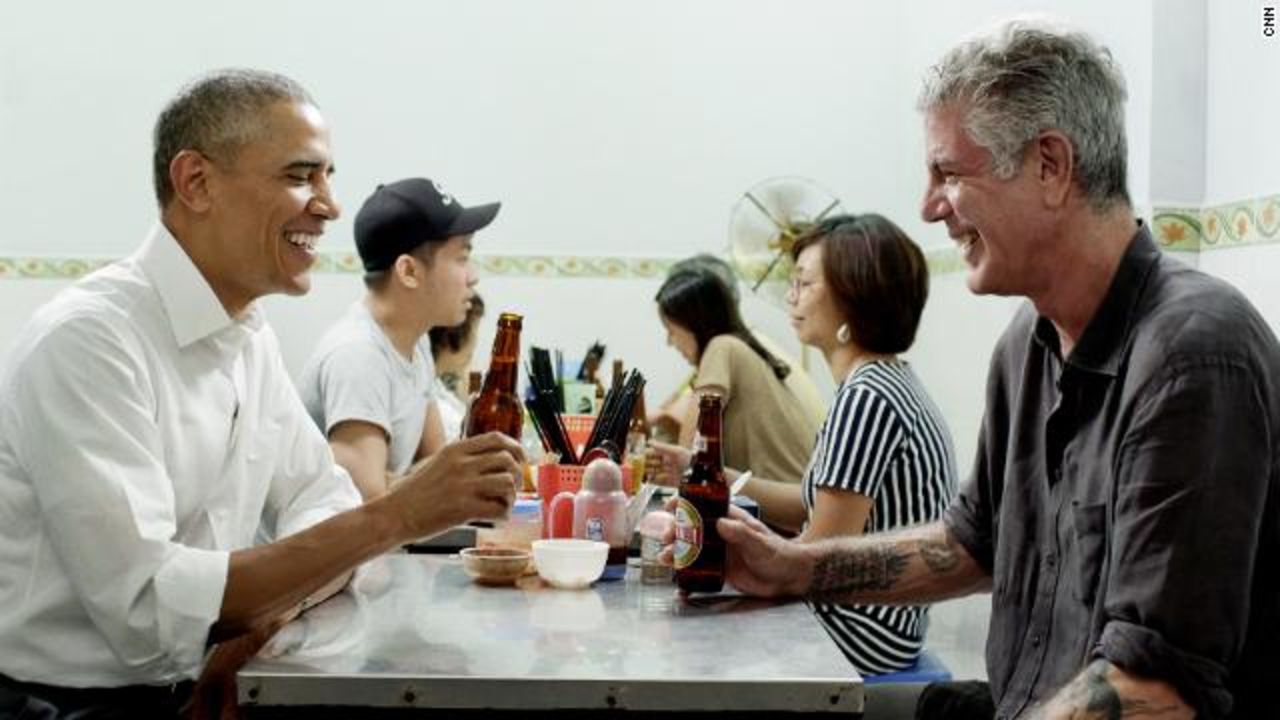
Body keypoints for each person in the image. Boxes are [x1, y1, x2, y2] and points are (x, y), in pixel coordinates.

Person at [677, 19, 1280, 720]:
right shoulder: (1027, 341)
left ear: (1050, 166)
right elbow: (970, 543)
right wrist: (792, 570)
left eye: (948, 174)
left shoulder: (1194, 357)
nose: (930, 208)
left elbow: (1154, 687)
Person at [0, 69, 523, 719]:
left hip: (202, 683)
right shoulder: (90, 342)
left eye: (330, 177)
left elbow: (322, 501)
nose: (329, 206)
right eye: (301, 176)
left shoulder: (248, 339)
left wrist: (252, 622)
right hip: (73, 706)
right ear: (196, 182)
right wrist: (398, 516)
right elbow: (148, 612)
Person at [653, 215, 957, 675]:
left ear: (853, 298)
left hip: (862, 630)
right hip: (881, 622)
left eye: (804, 284)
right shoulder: (880, 381)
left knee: (683, 648)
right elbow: (806, 505)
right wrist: (719, 481)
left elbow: (819, 554)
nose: (791, 298)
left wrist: (744, 551)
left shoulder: (868, 396)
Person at [298, 178, 498, 500]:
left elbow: (437, 465)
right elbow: (366, 504)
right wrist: (407, 480)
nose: (473, 275)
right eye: (462, 257)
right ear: (408, 272)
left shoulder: (414, 344)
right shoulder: (358, 357)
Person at [654, 266, 822, 486]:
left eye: (671, 330)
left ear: (694, 322)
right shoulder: (741, 346)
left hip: (777, 509)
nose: (670, 342)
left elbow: (687, 453)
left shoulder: (722, 347)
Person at [426, 293, 487, 442]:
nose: (475, 342)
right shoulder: (440, 413)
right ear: (449, 336)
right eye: (474, 331)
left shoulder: (435, 383)